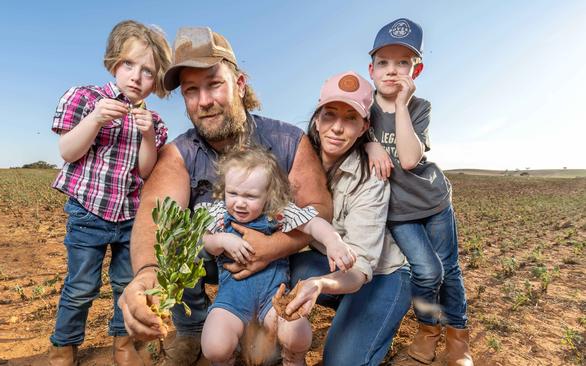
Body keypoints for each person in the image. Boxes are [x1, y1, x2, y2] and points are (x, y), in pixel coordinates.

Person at [117, 27, 332, 366]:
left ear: (240, 83)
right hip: (213, 261)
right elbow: (156, 213)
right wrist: (146, 274)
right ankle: (192, 328)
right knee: (181, 235)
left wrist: (271, 248)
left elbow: (318, 208)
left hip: (275, 271)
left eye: (214, 84)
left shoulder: (287, 140)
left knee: (273, 352)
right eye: (191, 90)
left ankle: (266, 323)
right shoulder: (179, 152)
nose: (204, 101)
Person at [48, 20, 171, 366]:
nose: (136, 77)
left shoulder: (154, 121)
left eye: (148, 71)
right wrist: (96, 120)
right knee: (80, 286)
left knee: (125, 285)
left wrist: (147, 137)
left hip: (130, 217)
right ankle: (63, 345)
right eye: (129, 65)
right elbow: (68, 151)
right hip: (88, 212)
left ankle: (123, 345)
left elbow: (146, 171)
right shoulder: (86, 98)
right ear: (114, 63)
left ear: (157, 79)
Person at [283, 71, 411, 365]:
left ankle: (371, 318)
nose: (337, 128)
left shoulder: (371, 177)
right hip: (329, 262)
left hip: (380, 274)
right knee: (277, 273)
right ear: (317, 118)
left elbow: (361, 266)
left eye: (350, 118)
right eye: (329, 115)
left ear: (364, 125)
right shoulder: (295, 157)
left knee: (341, 362)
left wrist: (320, 285)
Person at [365, 18, 473, 365]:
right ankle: (428, 330)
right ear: (371, 69)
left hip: (434, 201)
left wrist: (400, 105)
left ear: (417, 69)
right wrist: (370, 145)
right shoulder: (362, 110)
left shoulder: (419, 107)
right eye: (383, 62)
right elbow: (346, 132)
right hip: (399, 212)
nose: (392, 71)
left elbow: (410, 159)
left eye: (403, 63)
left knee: (450, 269)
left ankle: (458, 342)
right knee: (427, 272)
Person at [197, 146, 356, 365]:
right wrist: (221, 240)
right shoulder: (219, 214)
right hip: (232, 300)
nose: (240, 202)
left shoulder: (277, 213)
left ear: (268, 195)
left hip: (273, 299)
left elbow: (313, 223)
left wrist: (332, 241)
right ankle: (227, 359)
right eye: (233, 193)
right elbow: (205, 241)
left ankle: (293, 358)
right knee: (214, 346)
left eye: (251, 196)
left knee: (297, 333)